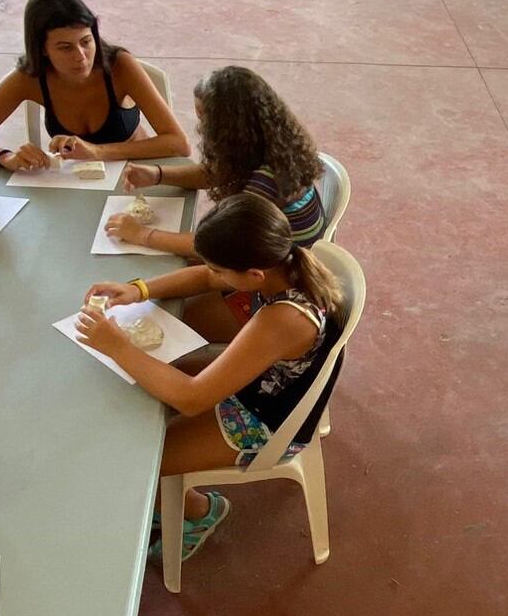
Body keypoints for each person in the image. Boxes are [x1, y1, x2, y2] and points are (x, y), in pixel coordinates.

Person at [78, 194, 345, 561]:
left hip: (267, 422)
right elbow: (206, 276)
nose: (212, 274)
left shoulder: (284, 319)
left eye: (220, 270)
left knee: (140, 458)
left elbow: (192, 398)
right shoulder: (280, 262)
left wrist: (117, 346)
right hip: (260, 384)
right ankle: (168, 502)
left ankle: (200, 512)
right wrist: (139, 290)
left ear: (253, 275)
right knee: (142, 391)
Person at [105, 66, 327, 271]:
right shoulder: (271, 147)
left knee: (171, 281)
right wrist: (158, 174)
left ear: (230, 127)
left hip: (282, 272)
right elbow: (214, 173)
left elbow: (213, 246)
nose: (202, 128)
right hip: (271, 253)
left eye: (206, 120)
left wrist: (142, 234)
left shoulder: (264, 184)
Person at [0, 0, 187, 171]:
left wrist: (98, 152)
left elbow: (178, 143)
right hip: (76, 181)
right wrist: (5, 157)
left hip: (134, 171)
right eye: (65, 47)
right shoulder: (30, 78)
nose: (81, 56)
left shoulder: (120, 66)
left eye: (86, 41)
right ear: (42, 49)